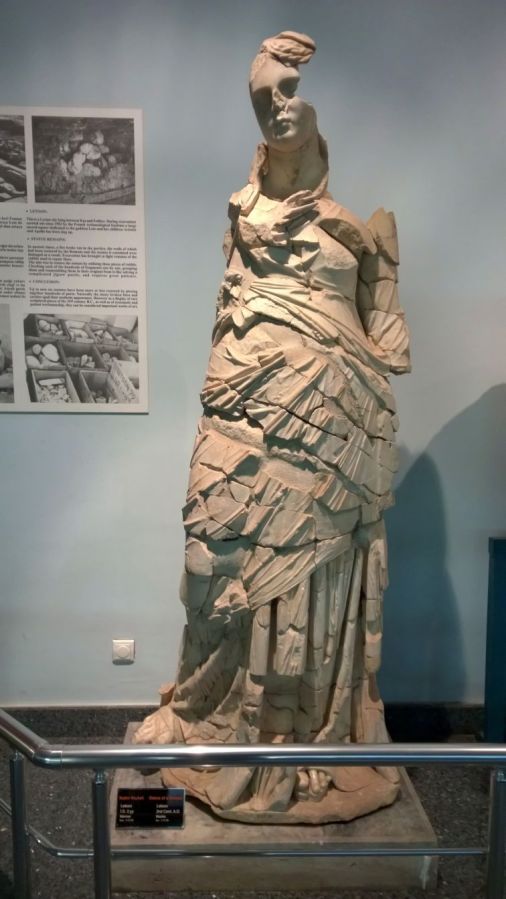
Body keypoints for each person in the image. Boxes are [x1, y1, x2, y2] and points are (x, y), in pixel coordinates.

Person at [135, 31, 411, 824]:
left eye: (290, 95)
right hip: (247, 421)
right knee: (214, 571)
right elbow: (226, 326)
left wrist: (374, 292)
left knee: (314, 581)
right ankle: (217, 715)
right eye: (266, 101)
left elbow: (388, 346)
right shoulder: (242, 220)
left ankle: (295, 734)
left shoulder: (356, 232)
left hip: (332, 433)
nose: (280, 111)